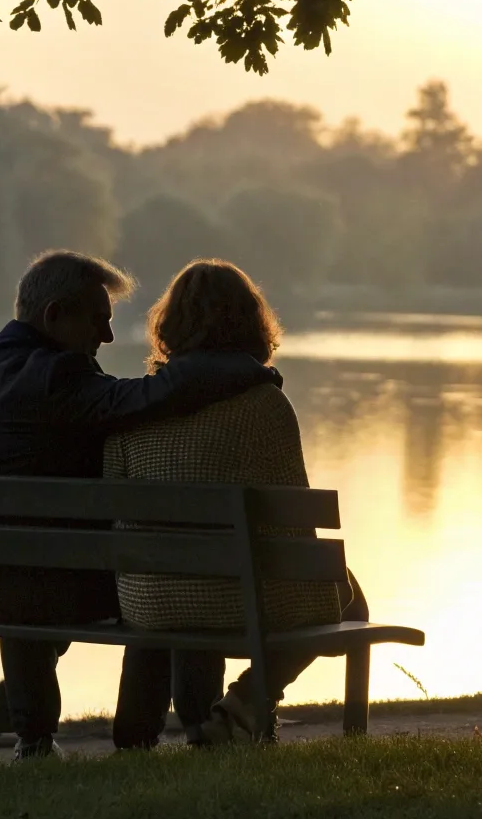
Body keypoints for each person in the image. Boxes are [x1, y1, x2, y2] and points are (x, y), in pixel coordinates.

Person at [0, 250, 281, 760]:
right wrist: (245, 367)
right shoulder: (56, 375)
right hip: (32, 584)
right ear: (55, 315)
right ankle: (174, 731)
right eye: (98, 321)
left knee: (33, 559)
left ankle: (36, 740)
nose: (106, 338)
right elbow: (151, 397)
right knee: (174, 571)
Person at [107, 260, 367, 748]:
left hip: (150, 597)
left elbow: (116, 508)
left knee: (190, 586)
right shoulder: (264, 406)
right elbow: (292, 522)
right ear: (253, 324)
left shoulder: (134, 406)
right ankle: (247, 702)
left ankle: (145, 739)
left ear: (169, 326)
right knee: (350, 598)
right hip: (239, 597)